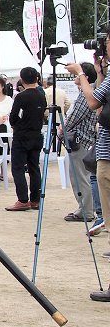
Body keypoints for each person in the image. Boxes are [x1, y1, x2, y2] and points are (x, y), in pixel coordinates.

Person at [66, 43, 110, 301]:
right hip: (101, 149)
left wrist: (82, 74)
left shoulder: (93, 86)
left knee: (90, 182)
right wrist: (99, 71)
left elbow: (93, 102)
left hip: (103, 151)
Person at [59, 62, 97, 222]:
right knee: (83, 177)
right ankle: (85, 209)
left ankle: (86, 211)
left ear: (84, 77)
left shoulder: (86, 94)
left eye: (77, 74)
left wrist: (63, 128)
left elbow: (76, 116)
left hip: (80, 140)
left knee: (80, 177)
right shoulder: (91, 92)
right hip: (85, 139)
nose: (74, 77)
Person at [5, 67, 47, 211]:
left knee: (18, 168)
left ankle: (23, 200)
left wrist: (16, 125)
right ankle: (35, 199)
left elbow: (13, 116)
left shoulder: (21, 96)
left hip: (22, 135)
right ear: (37, 78)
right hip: (36, 134)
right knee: (34, 167)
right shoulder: (41, 95)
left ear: (22, 80)